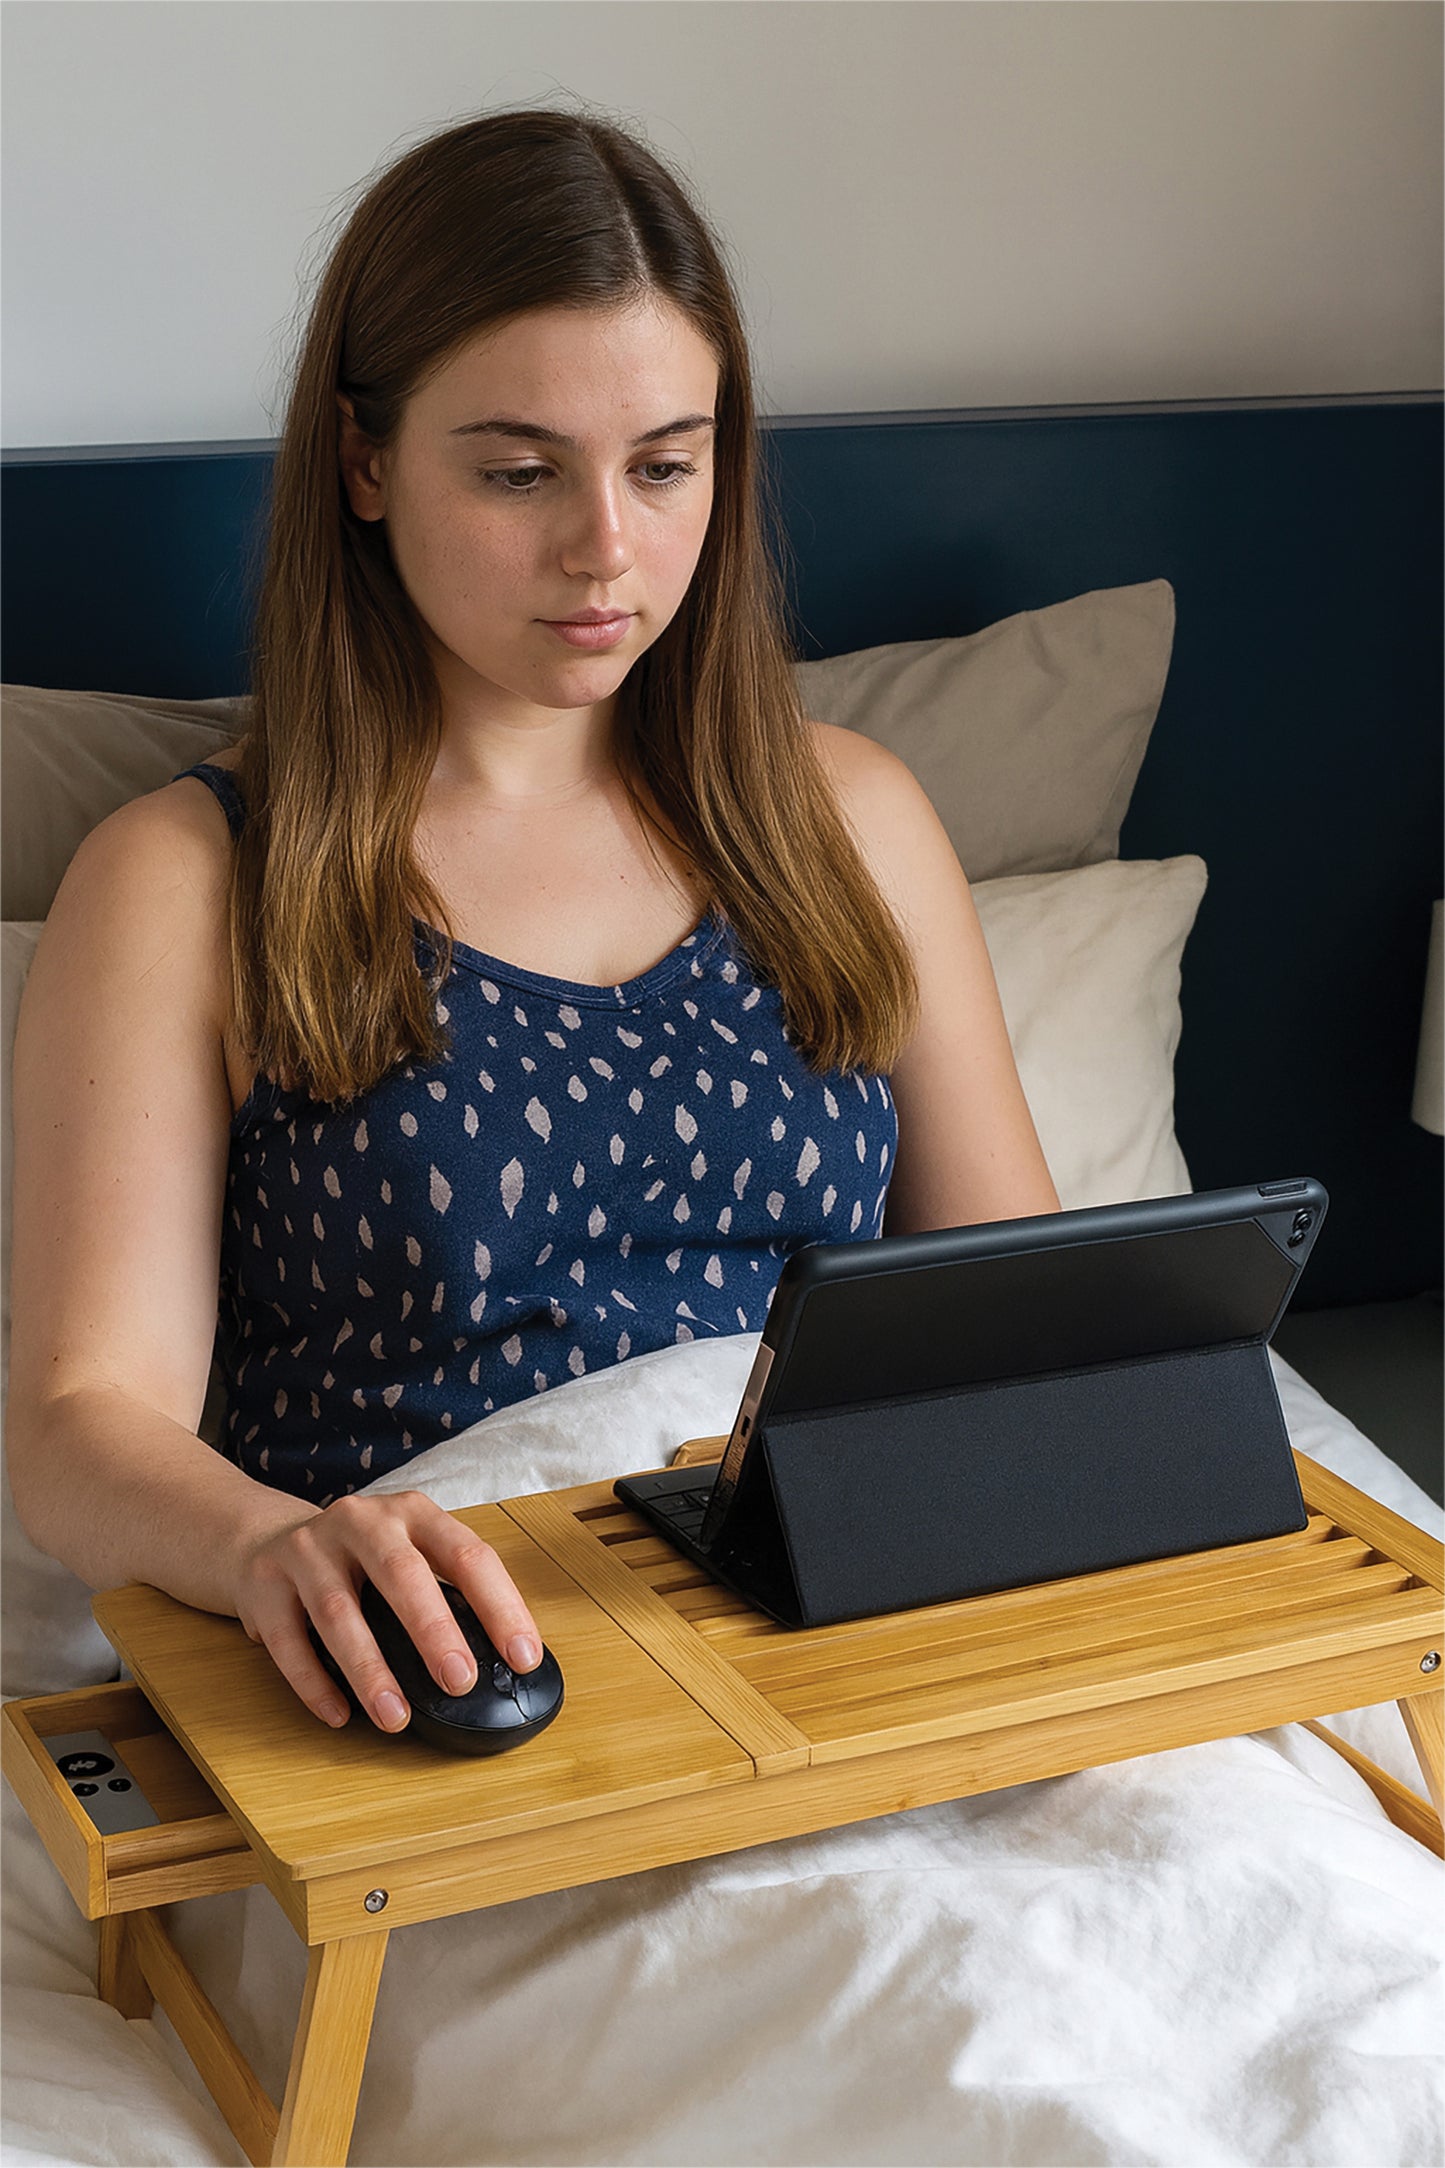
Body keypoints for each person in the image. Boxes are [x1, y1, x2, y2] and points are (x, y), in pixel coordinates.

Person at [7, 106, 1057, 1747]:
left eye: (664, 465)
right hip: (450, 1680)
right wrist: (274, 1546)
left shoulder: (847, 820)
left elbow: (1014, 1316)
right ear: (362, 461)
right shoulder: (188, 881)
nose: (606, 552)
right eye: (517, 473)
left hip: (844, 1635)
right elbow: (80, 1421)